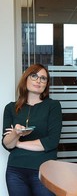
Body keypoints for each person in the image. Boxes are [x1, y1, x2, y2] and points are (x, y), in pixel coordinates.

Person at [2, 64, 62, 196]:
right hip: (15, 171)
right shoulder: (10, 108)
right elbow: (7, 144)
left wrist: (18, 143)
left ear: (46, 84)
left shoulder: (53, 106)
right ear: (26, 78)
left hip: (44, 170)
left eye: (43, 78)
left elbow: (51, 142)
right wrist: (15, 133)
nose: (38, 81)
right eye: (34, 76)